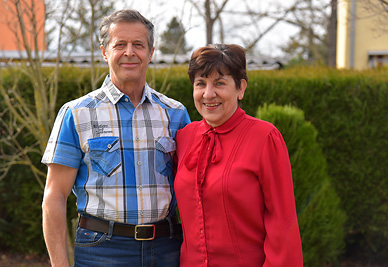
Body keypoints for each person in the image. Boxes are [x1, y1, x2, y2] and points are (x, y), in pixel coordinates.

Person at [41, 9, 190, 267]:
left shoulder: (175, 114)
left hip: (166, 248)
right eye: (119, 44)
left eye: (138, 45)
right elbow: (54, 196)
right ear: (104, 52)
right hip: (101, 250)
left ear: (151, 53)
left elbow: (194, 190)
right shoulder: (76, 114)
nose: (129, 52)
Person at [174, 44, 303, 266]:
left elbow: (283, 223)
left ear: (240, 88)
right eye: (200, 84)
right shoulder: (184, 137)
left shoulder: (265, 137)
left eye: (219, 83)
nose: (208, 94)